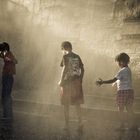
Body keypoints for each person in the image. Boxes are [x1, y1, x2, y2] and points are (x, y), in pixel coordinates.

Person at [96, 52, 136, 129]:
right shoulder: (128, 70)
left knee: (120, 109)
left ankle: (122, 125)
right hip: (130, 91)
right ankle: (134, 125)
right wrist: (115, 83)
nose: (118, 64)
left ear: (122, 61)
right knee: (129, 109)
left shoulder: (122, 70)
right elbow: (120, 80)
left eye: (118, 62)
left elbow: (113, 80)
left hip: (122, 91)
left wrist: (102, 82)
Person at [58, 41, 84, 131]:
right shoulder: (77, 56)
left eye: (62, 50)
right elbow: (82, 68)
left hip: (67, 82)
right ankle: (80, 122)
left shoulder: (65, 56)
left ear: (63, 49)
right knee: (77, 103)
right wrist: (81, 79)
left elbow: (64, 68)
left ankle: (66, 124)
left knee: (66, 104)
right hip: (76, 82)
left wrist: (61, 80)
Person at [0, 42, 17, 120]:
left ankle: (8, 115)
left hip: (8, 77)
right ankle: (7, 114)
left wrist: (10, 59)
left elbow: (15, 61)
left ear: (5, 49)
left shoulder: (8, 54)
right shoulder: (5, 54)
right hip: (7, 77)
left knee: (6, 96)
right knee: (5, 95)